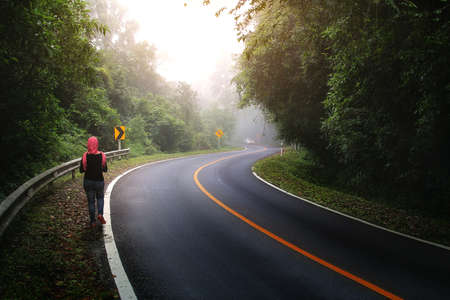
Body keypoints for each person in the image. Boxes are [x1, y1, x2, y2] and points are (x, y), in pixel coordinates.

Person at [80, 136, 108, 228]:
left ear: (88, 144)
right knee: (100, 198)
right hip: (99, 181)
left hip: (88, 181)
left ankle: (92, 222)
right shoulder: (102, 155)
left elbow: (81, 170)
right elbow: (105, 169)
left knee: (91, 202)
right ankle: (100, 214)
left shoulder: (85, 155)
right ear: (97, 144)